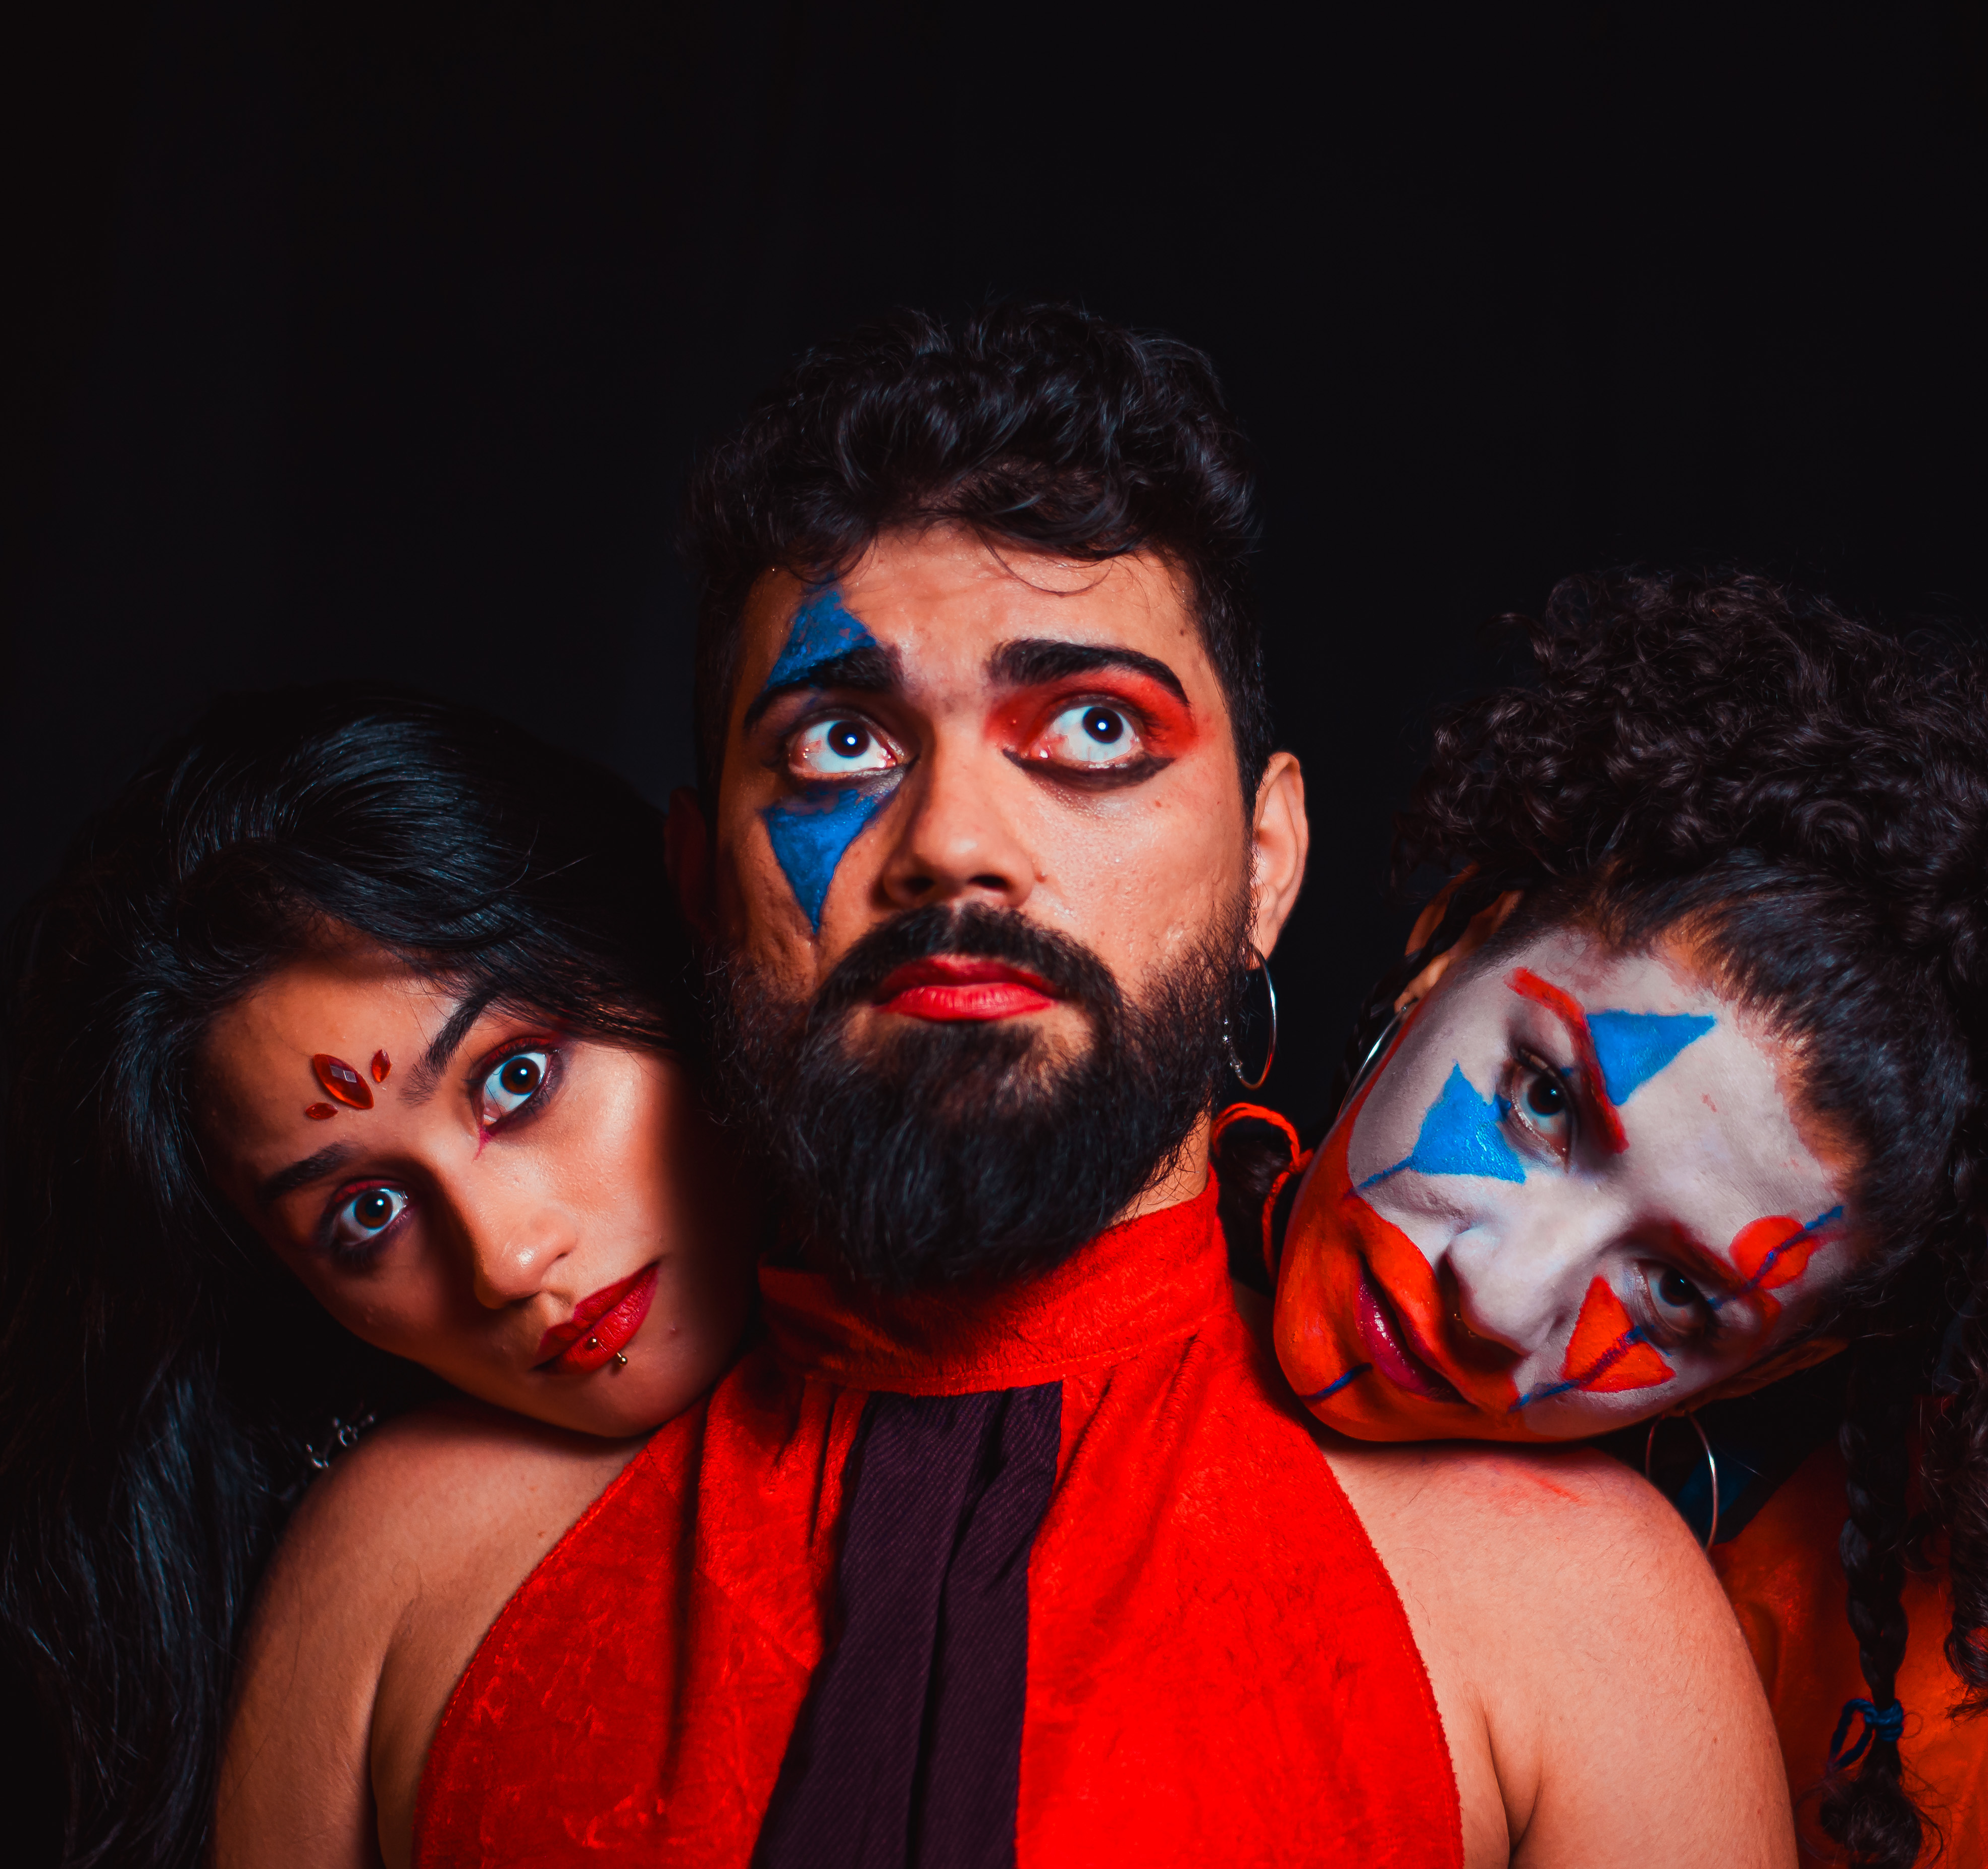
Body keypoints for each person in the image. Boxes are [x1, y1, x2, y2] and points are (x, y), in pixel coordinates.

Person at [409, 305, 1793, 1867]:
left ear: (1265, 861)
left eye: (1092, 726)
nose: (954, 842)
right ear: (696, 875)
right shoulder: (414, 1577)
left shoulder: (1576, 1627)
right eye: (842, 740)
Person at [1231, 571, 1988, 1868]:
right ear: (1449, 944)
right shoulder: (1066, 1184)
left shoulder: (1790, 1658)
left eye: (1680, 1292)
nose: (1500, 1296)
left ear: (1775, 1365)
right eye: (1542, 1101)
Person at [0, 686, 758, 1869]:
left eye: (517, 1081)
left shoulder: (1031, 1372)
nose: (507, 1261)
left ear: (670, 944)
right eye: (367, 1214)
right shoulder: (382, 1568)